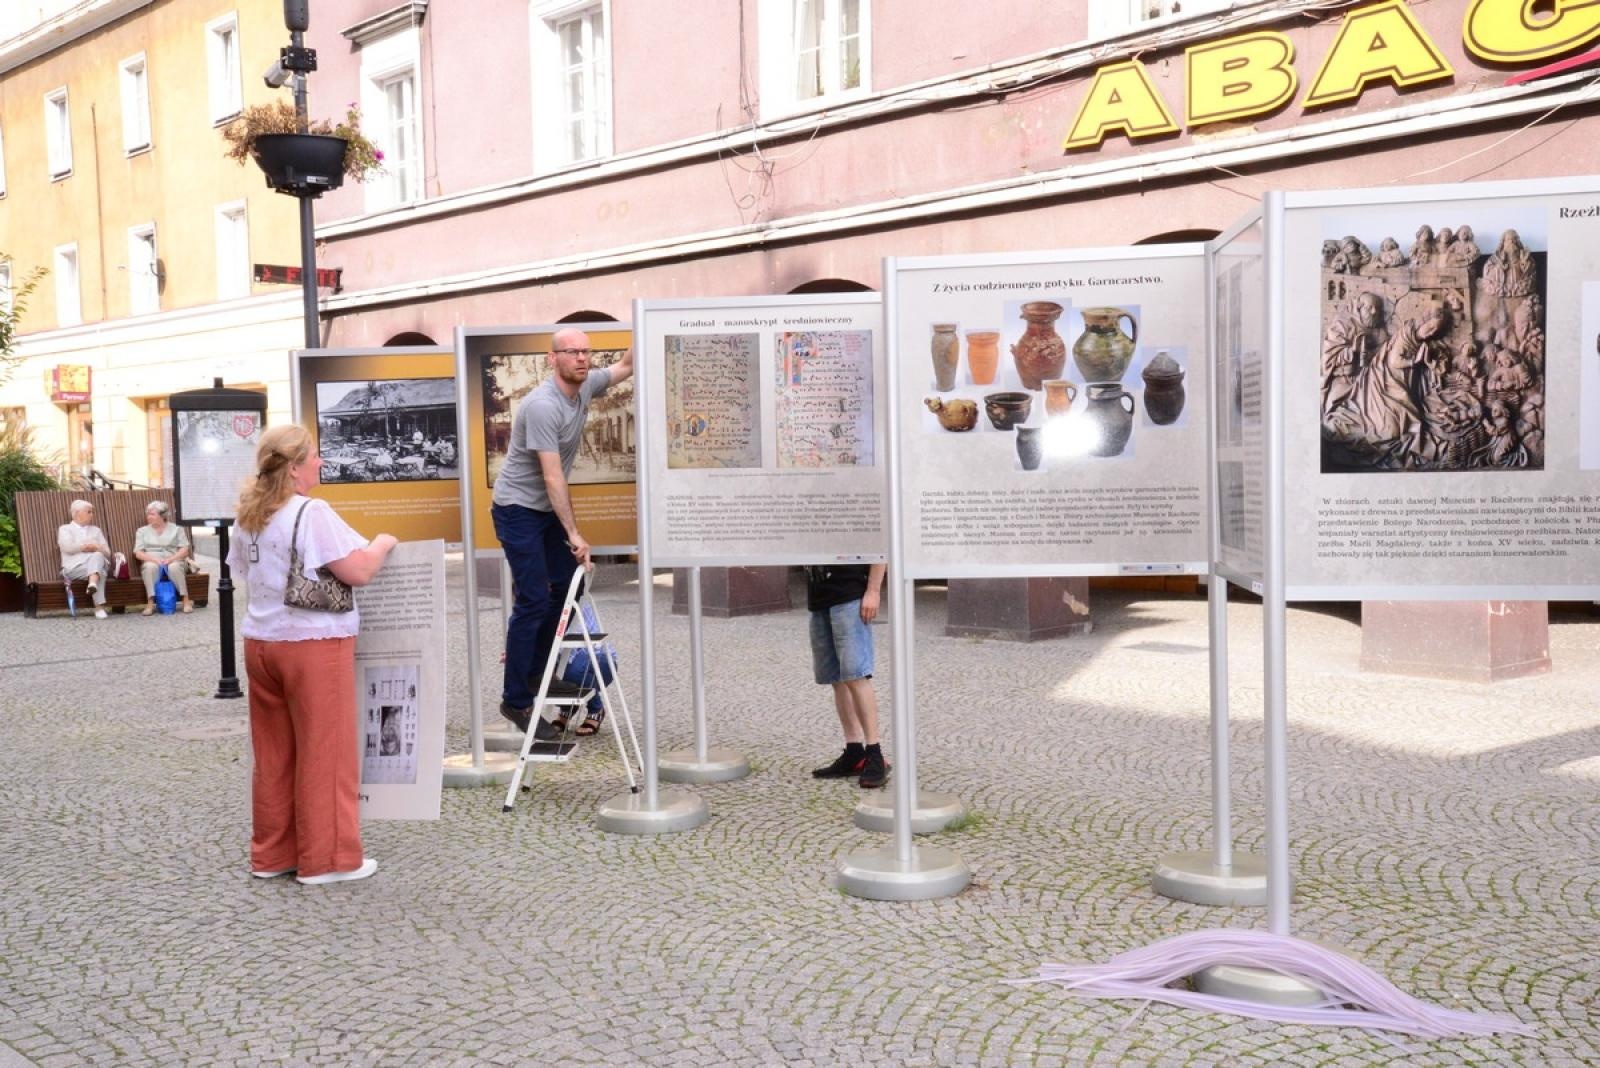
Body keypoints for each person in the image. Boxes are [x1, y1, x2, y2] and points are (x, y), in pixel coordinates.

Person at [228, 425, 397, 886]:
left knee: (274, 754)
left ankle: (272, 855)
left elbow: (244, 570)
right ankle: (328, 860)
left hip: (261, 643)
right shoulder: (311, 510)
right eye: (316, 457)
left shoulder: (249, 513)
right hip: (313, 644)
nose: (322, 463)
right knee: (328, 752)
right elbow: (357, 570)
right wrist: (383, 542)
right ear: (296, 465)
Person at [492, 328, 633, 736]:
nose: (582, 358)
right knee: (534, 598)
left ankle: (538, 674)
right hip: (517, 509)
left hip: (544, 511)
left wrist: (649, 321)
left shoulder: (587, 384)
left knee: (565, 593)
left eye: (586, 351)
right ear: (553, 358)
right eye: (573, 352)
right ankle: (516, 700)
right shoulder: (541, 406)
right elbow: (553, 478)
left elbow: (624, 366)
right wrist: (573, 533)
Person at [807, 562, 889, 789]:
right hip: (819, 597)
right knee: (837, 678)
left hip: (850, 595)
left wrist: (873, 590)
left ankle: (875, 754)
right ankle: (854, 752)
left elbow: (879, 546)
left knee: (856, 675)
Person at [133, 500, 194, 615]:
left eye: (152, 514)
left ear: (162, 516)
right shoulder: (142, 531)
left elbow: (184, 550)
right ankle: (150, 603)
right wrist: (154, 560)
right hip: (152, 560)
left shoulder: (177, 529)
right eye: (148, 514)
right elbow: (138, 553)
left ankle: (185, 600)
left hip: (174, 559)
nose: (148, 517)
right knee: (149, 567)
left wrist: (171, 559)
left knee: (174, 567)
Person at [58, 499, 111, 619]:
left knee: (98, 555)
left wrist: (97, 547)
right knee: (100, 572)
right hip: (74, 568)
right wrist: (85, 547)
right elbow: (67, 547)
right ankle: (99, 607)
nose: (92, 514)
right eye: (89, 512)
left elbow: (107, 552)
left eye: (92, 512)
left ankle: (92, 583)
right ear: (76, 513)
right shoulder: (65, 529)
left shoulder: (96, 530)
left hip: (95, 564)